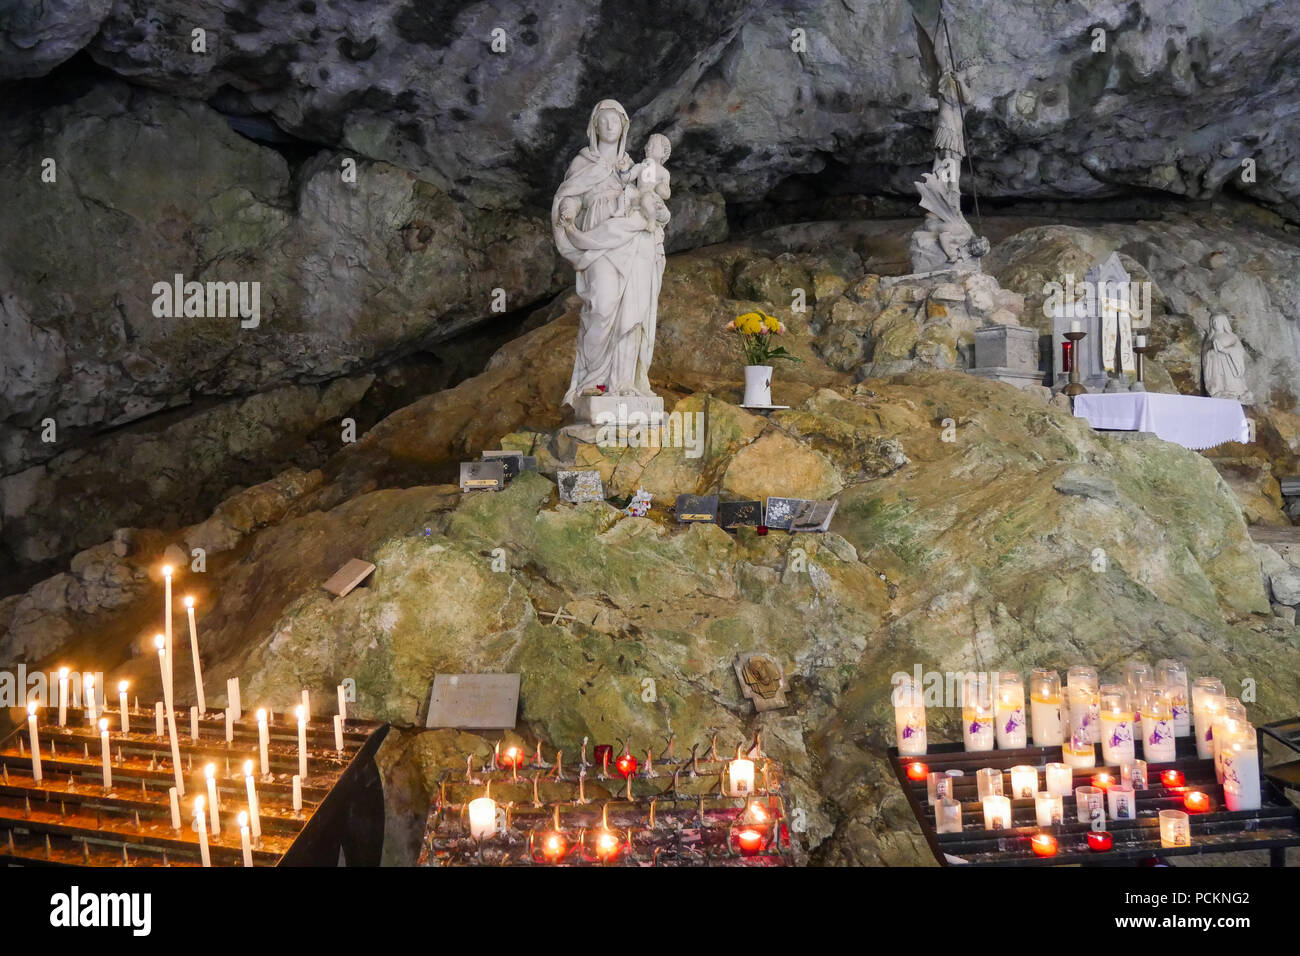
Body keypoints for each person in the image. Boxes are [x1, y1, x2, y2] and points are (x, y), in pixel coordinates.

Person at [552, 100, 665, 406]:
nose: (609, 125)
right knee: (602, 306)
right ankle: (593, 383)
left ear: (624, 126)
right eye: (603, 120)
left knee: (633, 309)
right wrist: (568, 210)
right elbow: (571, 193)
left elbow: (651, 194)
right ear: (594, 126)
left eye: (615, 120)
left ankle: (624, 382)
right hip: (598, 237)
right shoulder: (583, 162)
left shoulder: (631, 165)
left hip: (633, 238)